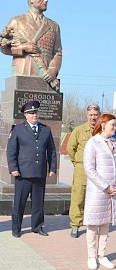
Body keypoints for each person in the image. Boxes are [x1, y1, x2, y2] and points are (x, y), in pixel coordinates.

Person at [6, 100, 57, 238]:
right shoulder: (17, 129)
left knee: (38, 203)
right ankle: (16, 229)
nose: (34, 115)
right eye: (31, 113)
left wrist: (52, 167)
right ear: (26, 115)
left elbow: (51, 150)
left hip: (39, 172)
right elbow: (11, 151)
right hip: (22, 173)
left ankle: (37, 226)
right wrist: (13, 168)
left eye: (36, 112)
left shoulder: (46, 130)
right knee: (19, 203)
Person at [83, 113, 116, 270]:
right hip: (99, 191)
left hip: (114, 191)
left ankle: (102, 255)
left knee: (105, 223)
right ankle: (91, 256)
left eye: (115, 125)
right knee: (93, 224)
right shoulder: (93, 143)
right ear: (103, 125)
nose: (115, 127)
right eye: (112, 125)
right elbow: (89, 169)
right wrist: (106, 186)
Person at [0, 0, 62, 92]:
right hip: (23, 70)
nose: (46, 0)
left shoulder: (54, 26)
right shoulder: (17, 21)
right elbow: (3, 46)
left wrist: (53, 70)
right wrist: (23, 48)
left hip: (45, 74)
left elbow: (58, 52)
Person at [67, 104, 101, 238]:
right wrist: (77, 163)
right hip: (82, 169)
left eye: (95, 115)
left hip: (98, 170)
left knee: (96, 198)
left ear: (99, 115)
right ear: (87, 115)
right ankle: (75, 225)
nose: (93, 117)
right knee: (78, 197)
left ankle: (93, 224)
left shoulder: (102, 130)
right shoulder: (79, 130)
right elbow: (71, 149)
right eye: (91, 115)